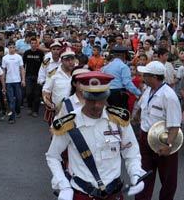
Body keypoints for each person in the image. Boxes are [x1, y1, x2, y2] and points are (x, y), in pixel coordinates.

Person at [46, 71, 146, 200]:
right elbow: (52, 156)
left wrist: (135, 174)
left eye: (101, 100)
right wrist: (63, 185)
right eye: (92, 100)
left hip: (113, 193)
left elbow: (131, 151)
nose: (97, 105)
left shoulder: (118, 119)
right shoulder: (69, 123)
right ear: (84, 96)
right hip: (82, 193)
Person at [136, 61, 182, 200]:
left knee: (167, 180)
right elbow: (141, 108)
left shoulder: (169, 96)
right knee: (143, 176)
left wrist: (168, 145)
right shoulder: (148, 90)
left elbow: (175, 125)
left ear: (154, 77)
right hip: (145, 139)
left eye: (146, 74)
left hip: (163, 142)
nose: (143, 76)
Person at [42, 47, 76, 125]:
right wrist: (49, 104)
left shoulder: (78, 73)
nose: (70, 62)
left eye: (72, 59)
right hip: (59, 113)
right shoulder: (53, 74)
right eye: (67, 60)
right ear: (61, 60)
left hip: (76, 112)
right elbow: (46, 91)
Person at [2, 41, 25, 124]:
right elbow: (3, 71)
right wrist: (3, 84)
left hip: (17, 81)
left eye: (13, 47)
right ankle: (12, 117)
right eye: (10, 47)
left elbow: (22, 69)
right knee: (11, 100)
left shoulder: (18, 57)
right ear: (8, 48)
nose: (12, 49)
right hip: (8, 82)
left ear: (15, 48)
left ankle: (17, 110)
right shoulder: (5, 58)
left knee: (19, 98)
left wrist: (23, 80)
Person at [23, 37, 44, 117]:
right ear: (30, 44)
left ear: (37, 44)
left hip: (38, 76)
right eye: (32, 43)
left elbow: (44, 65)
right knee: (28, 93)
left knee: (37, 94)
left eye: (35, 43)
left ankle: (35, 111)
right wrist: (23, 77)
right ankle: (30, 107)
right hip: (28, 76)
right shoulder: (26, 53)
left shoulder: (40, 53)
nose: (33, 45)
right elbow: (23, 66)